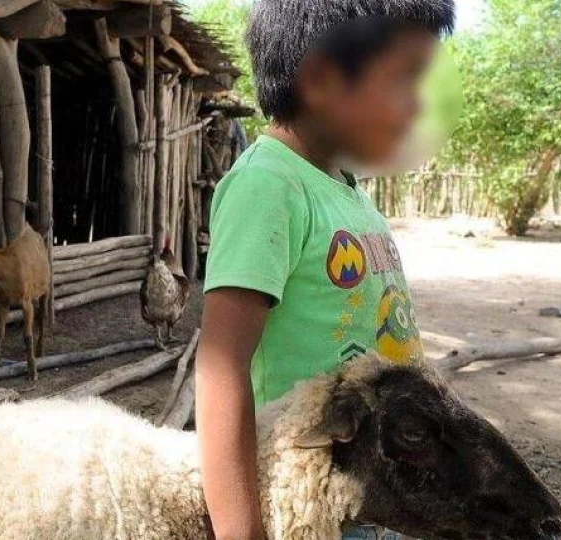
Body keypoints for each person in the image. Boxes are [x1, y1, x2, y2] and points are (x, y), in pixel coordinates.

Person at [195, 1, 456, 539]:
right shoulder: (267, 186)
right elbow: (222, 368)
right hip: (314, 503)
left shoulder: (345, 189)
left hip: (378, 491)